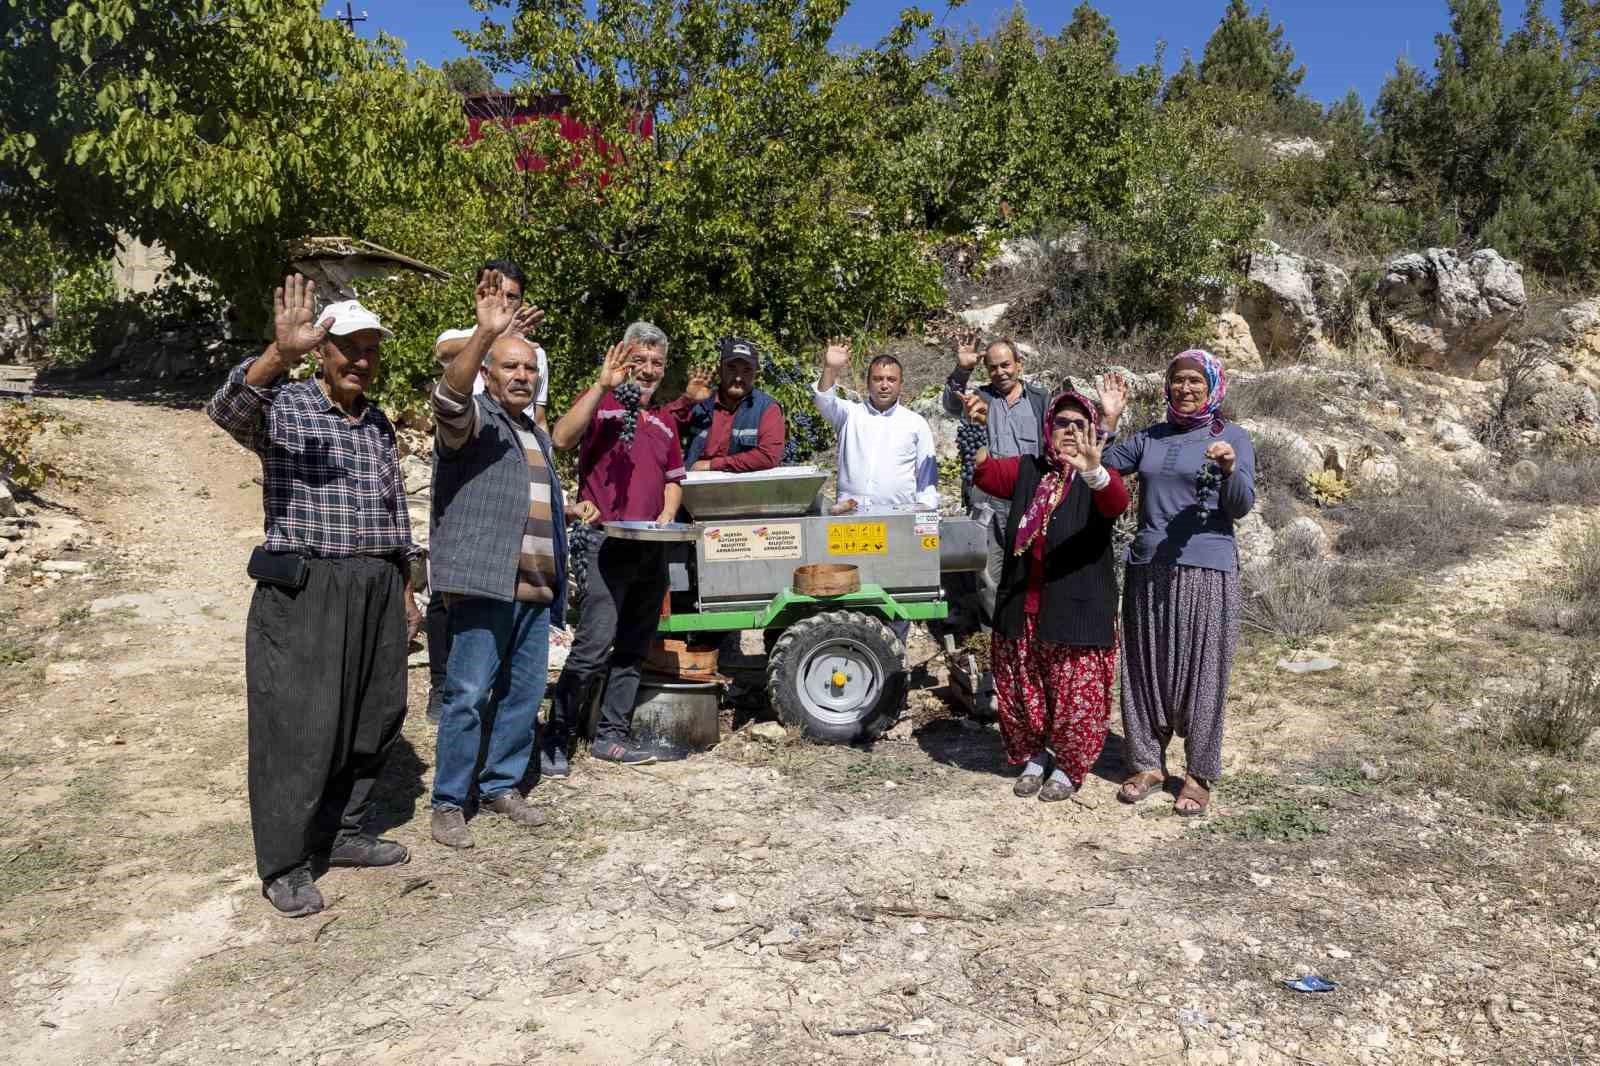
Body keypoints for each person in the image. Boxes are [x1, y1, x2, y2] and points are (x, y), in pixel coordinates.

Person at [206, 275, 422, 918]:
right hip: (306, 586)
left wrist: (407, 587)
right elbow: (227, 410)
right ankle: (286, 862)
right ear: (323, 351)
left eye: (369, 350)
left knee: (375, 713)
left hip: (377, 583)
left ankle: (345, 831)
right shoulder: (288, 405)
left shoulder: (379, 423)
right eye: (347, 348)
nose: (359, 360)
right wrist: (279, 354)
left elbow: (394, 514)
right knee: (298, 727)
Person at [427, 270, 596, 849]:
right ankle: (450, 800)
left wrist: (567, 512)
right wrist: (482, 334)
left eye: (529, 368)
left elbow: (529, 499)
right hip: (484, 581)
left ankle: (501, 784)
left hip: (534, 587)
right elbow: (448, 398)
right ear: (488, 376)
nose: (522, 376)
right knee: (469, 694)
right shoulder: (474, 422)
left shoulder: (535, 436)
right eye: (509, 367)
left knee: (525, 694)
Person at [1099, 350, 1257, 817]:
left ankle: (1199, 774)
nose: (1185, 390)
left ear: (1212, 387)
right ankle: (1147, 764)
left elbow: (1242, 504)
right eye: (1177, 381)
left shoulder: (1232, 437)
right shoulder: (1150, 436)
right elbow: (1099, 469)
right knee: (1145, 666)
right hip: (1148, 566)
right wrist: (1108, 418)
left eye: (1195, 382)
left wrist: (1229, 469)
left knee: (1202, 671)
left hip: (1207, 568)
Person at [972, 391, 1129, 802]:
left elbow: (1116, 503)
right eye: (1062, 423)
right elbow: (986, 475)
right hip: (1024, 606)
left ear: (1093, 431)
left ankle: (1069, 766)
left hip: (1076, 609)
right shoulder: (1030, 469)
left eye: (1080, 424)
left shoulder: (1100, 472)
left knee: (1075, 697)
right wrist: (978, 427)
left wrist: (1093, 470)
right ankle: (1035, 757)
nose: (1071, 431)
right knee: (1027, 693)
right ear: (1048, 429)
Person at [546, 323, 686, 769]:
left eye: (656, 363)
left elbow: (672, 481)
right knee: (592, 646)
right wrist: (601, 385)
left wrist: (668, 514)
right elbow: (561, 438)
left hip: (651, 548)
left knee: (632, 647)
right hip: (606, 544)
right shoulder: (604, 405)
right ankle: (556, 737)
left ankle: (612, 735)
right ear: (625, 361)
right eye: (639, 361)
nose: (647, 370)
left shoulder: (665, 421)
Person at [423, 260, 547, 725]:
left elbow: (538, 416)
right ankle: (442, 682)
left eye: (514, 296)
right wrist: (490, 332)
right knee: (454, 581)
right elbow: (447, 366)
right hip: (467, 439)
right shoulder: (465, 336)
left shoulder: (532, 354)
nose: (505, 303)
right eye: (497, 293)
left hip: (512, 453)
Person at [942, 333, 1049, 621]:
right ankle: (997, 638)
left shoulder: (1041, 400)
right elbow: (951, 404)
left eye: (1005, 365)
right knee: (988, 576)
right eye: (993, 367)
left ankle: (1029, 637)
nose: (1000, 372)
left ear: (1019, 364)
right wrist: (962, 369)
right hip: (988, 500)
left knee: (1033, 570)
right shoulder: (979, 397)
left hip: (1031, 499)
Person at [809, 339, 938, 513]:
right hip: (849, 516)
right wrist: (830, 369)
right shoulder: (849, 414)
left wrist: (924, 512)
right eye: (878, 379)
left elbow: (927, 477)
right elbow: (823, 400)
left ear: (901, 384)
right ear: (867, 383)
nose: (884, 385)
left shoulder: (915, 423)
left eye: (891, 379)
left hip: (898, 517)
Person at [661, 336, 785, 472]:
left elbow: (768, 456)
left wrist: (712, 465)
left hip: (743, 491)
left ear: (756, 374)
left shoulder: (767, 408)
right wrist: (687, 400)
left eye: (747, 370)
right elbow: (658, 429)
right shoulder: (701, 403)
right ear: (719, 370)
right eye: (732, 368)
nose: (738, 377)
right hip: (695, 489)